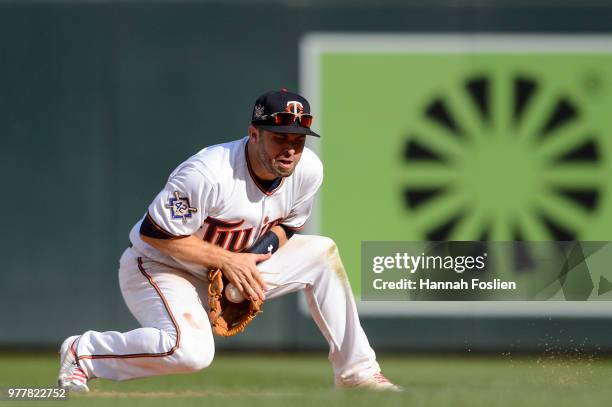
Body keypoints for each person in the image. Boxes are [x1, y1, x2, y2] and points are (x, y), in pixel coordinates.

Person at [57, 89, 401, 392]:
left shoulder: (307, 170)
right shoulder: (208, 174)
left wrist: (251, 259)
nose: (290, 150)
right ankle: (83, 353)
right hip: (160, 266)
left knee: (322, 254)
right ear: (254, 133)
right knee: (191, 353)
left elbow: (289, 226)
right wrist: (227, 261)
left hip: (233, 264)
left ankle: (357, 373)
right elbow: (154, 234)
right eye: (279, 137)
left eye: (298, 140)